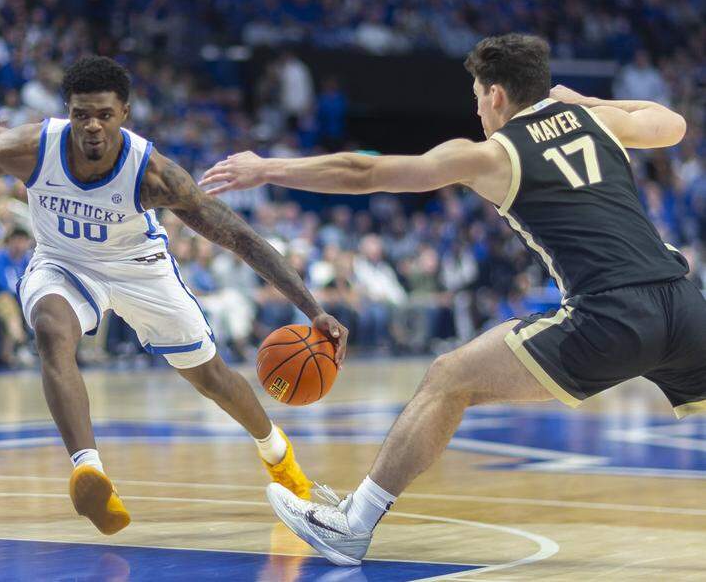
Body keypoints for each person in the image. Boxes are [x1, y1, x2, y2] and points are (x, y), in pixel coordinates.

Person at [201, 33, 703, 566]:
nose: (477, 109)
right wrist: (589, 103)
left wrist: (267, 168)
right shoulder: (599, 123)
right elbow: (673, 125)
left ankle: (353, 524)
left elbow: (364, 172)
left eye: (476, 97)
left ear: (495, 97)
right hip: (685, 304)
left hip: (612, 315)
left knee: (448, 378)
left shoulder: (491, 154)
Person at [0, 56, 348, 536]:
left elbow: (240, 238)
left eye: (103, 114)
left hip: (139, 269)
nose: (92, 126)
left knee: (211, 377)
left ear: (124, 112)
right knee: (52, 331)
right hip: (63, 262)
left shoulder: (155, 175)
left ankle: (277, 454)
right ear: (68, 112)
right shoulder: (33, 147)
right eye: (82, 114)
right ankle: (90, 471)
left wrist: (312, 308)